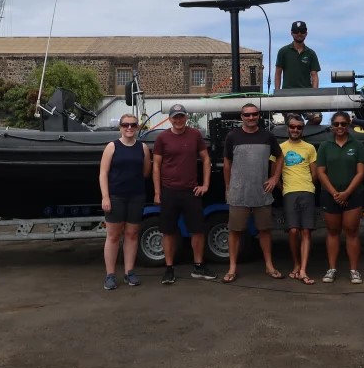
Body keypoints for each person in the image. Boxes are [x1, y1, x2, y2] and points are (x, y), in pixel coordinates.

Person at [152, 103, 216, 284]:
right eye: (175, 117)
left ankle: (198, 266)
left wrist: (205, 184)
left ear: (186, 117)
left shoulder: (195, 135)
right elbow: (156, 166)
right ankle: (169, 268)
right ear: (170, 119)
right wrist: (157, 192)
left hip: (191, 191)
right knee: (168, 232)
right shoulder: (162, 138)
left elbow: (206, 159)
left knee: (197, 230)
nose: (178, 120)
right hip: (169, 191)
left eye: (181, 116)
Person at [222, 103, 284, 283]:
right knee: (234, 231)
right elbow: (226, 163)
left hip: (262, 192)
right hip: (238, 193)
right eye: (247, 115)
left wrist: (274, 178)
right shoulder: (232, 136)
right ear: (241, 116)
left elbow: (280, 157)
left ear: (259, 115)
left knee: (264, 231)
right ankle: (232, 268)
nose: (251, 118)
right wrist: (228, 187)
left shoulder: (267, 136)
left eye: (254, 114)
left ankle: (269, 265)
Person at [98, 114, 151, 290]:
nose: (129, 128)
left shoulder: (142, 148)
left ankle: (130, 272)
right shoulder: (112, 147)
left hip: (136, 197)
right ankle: (110, 275)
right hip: (116, 197)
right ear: (120, 127)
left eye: (133, 125)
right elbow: (103, 173)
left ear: (137, 127)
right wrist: (105, 196)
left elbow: (145, 172)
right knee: (113, 236)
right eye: (125, 125)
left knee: (132, 235)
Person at [316, 110, 364, 284]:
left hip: (353, 195)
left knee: (351, 231)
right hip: (330, 195)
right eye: (336, 124)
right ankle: (332, 269)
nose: (340, 127)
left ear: (348, 125)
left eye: (343, 124)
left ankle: (354, 270)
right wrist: (334, 193)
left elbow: (361, 172)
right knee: (332, 232)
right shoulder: (325, 146)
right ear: (332, 126)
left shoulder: (357, 145)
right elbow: (321, 172)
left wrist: (347, 193)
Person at [280, 114, 318, 284]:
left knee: (306, 231)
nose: (295, 130)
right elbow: (274, 174)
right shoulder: (280, 148)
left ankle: (303, 269)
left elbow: (315, 173)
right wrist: (284, 189)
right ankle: (296, 263)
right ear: (288, 127)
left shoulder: (309, 148)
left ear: (303, 129)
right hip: (289, 192)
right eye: (293, 127)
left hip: (307, 190)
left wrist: (308, 185)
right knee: (293, 231)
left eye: (299, 127)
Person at [274, 20, 321, 90]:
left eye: (302, 31)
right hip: (287, 93)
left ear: (306, 33)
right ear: (292, 33)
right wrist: (277, 92)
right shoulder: (283, 51)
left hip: (307, 93)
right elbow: (278, 73)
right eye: (296, 31)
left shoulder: (311, 53)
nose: (299, 34)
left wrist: (315, 93)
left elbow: (314, 76)